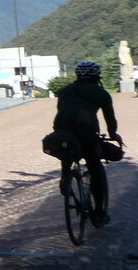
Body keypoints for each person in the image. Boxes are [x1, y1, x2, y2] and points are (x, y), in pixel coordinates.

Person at [52, 61, 123, 225]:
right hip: (86, 133)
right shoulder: (101, 93)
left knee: (67, 153)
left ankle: (65, 177)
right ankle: (99, 212)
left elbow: (64, 113)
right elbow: (110, 119)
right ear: (97, 76)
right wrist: (114, 135)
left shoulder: (64, 91)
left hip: (61, 133)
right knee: (95, 168)